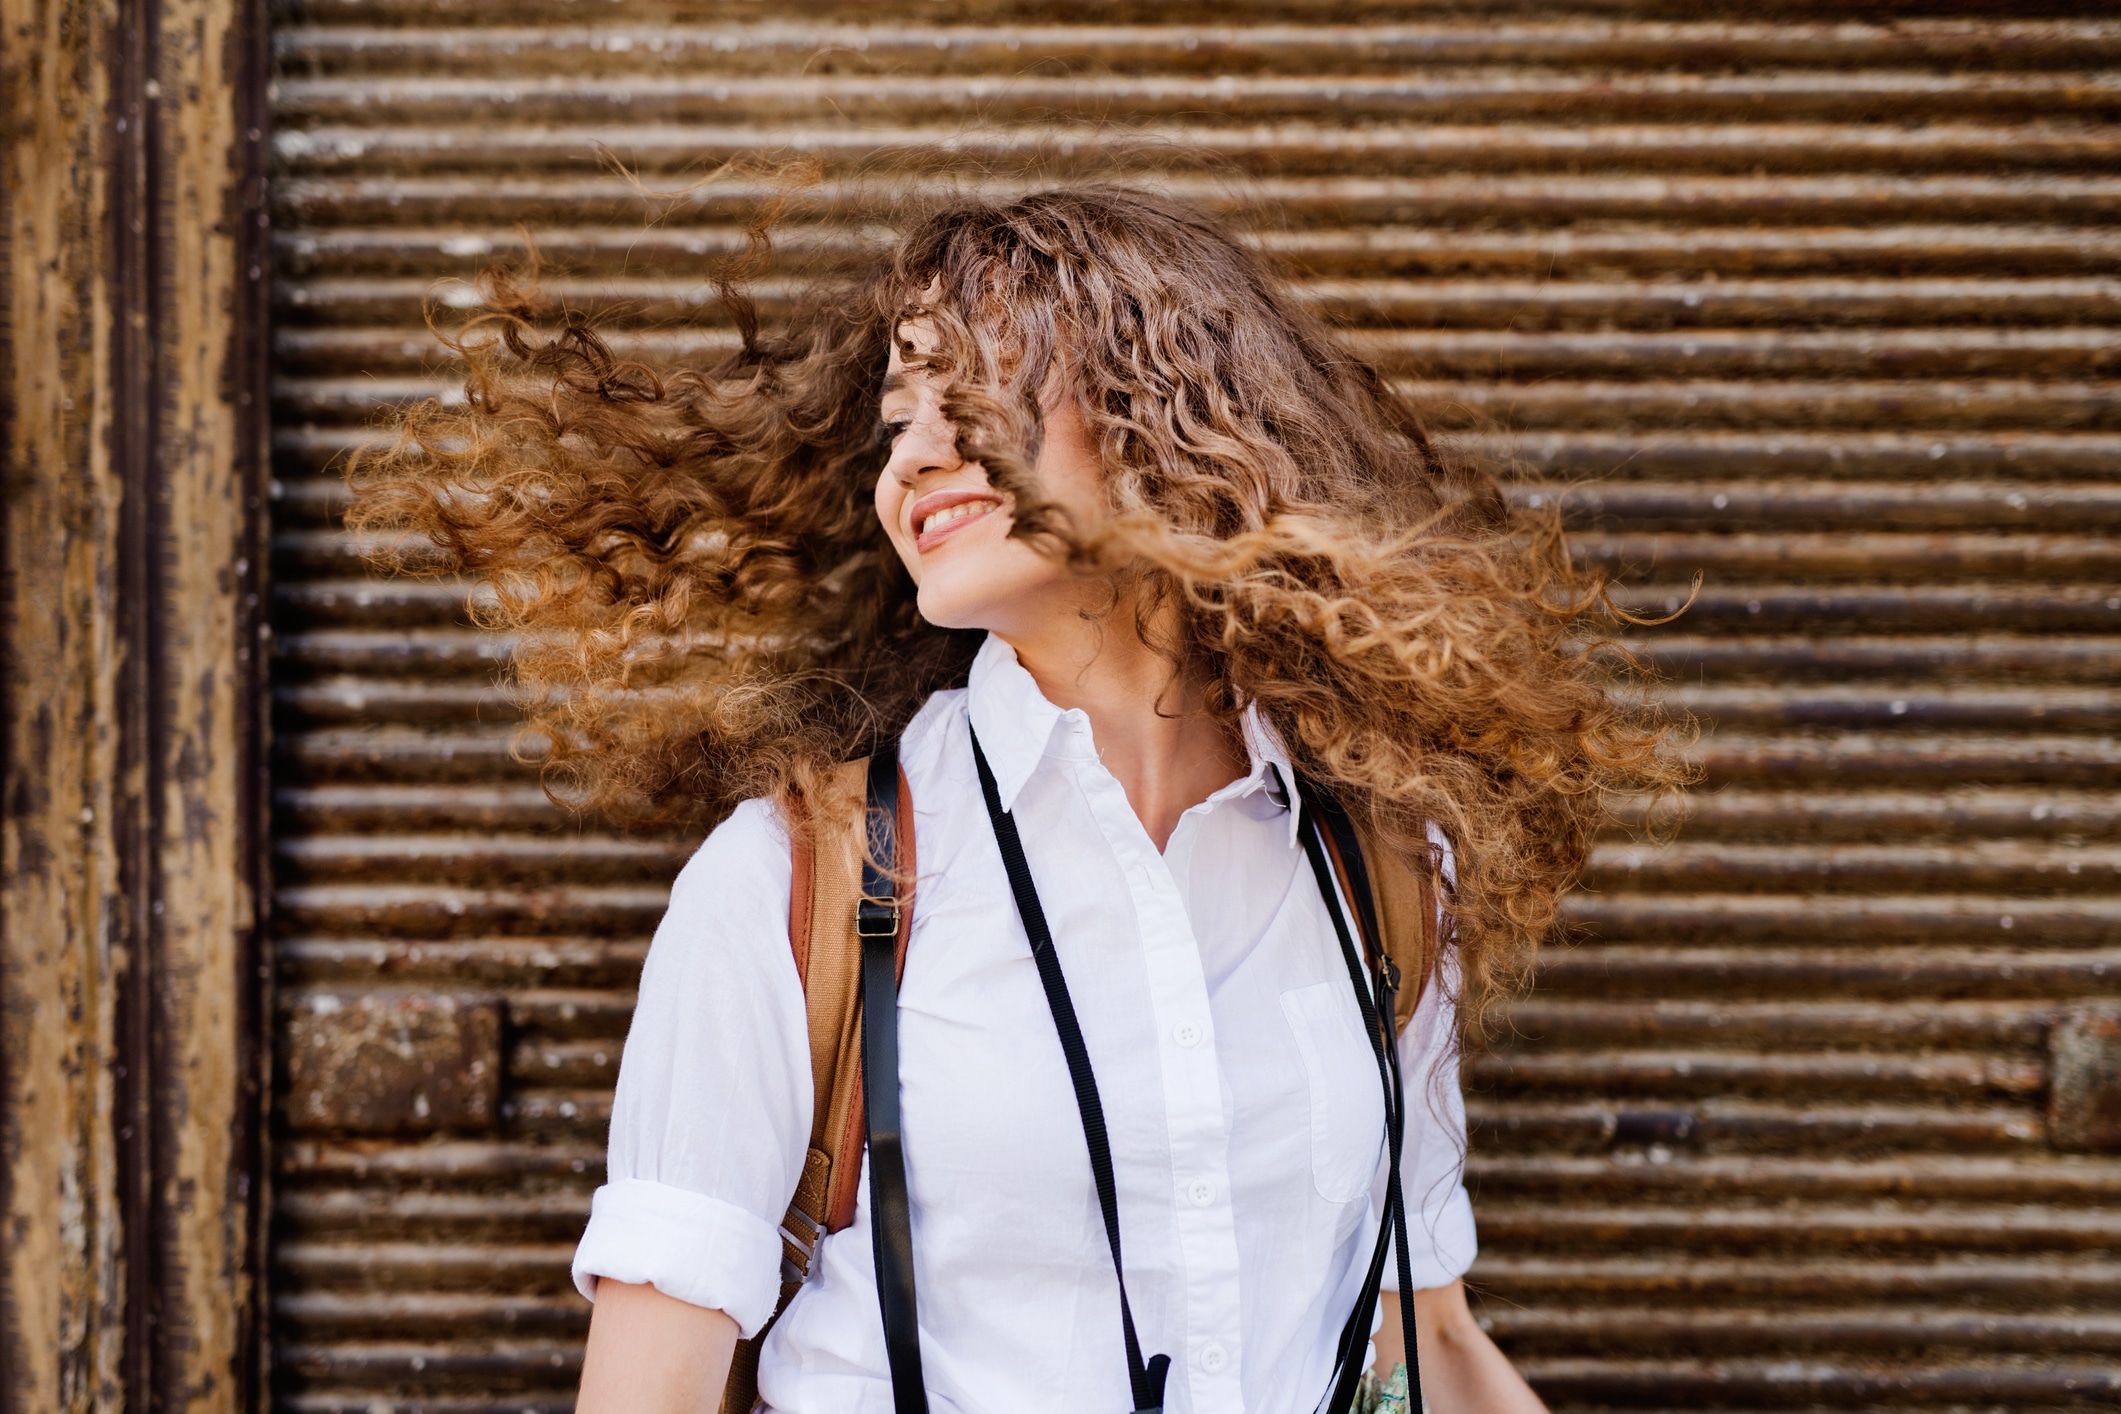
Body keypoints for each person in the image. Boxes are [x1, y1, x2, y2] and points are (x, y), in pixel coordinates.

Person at [352, 184, 1683, 1414]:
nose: (914, 458)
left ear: (1170, 410)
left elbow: (1423, 1334)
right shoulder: (787, 886)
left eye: (973, 398)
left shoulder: (1379, 867)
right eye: (895, 422)